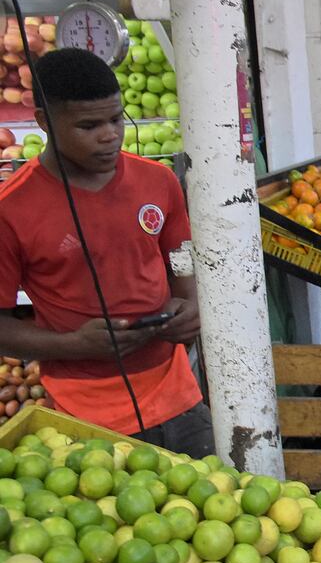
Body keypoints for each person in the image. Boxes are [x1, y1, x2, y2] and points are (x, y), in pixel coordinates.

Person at [0, 48, 211, 456]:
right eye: (89, 125)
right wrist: (76, 345)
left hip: (179, 396)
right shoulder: (12, 210)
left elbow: (180, 261)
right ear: (44, 122)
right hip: (84, 410)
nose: (109, 134)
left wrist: (189, 305)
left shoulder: (158, 181)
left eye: (115, 119)